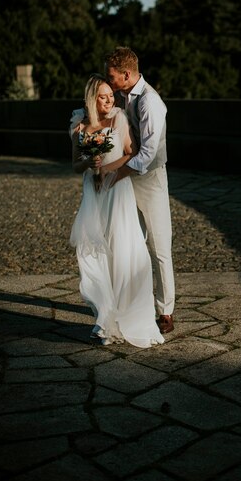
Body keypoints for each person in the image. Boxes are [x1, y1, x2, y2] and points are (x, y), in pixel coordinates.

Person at [69, 73, 164, 348]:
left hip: (117, 190)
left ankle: (127, 315)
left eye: (111, 95)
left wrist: (108, 169)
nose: (109, 101)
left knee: (122, 250)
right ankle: (104, 316)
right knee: (93, 254)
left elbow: (130, 153)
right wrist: (90, 163)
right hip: (94, 194)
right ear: (92, 99)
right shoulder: (80, 126)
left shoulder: (119, 119)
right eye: (103, 96)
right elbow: (75, 164)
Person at [103, 46, 175, 334]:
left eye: (111, 76)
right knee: (132, 243)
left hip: (150, 179)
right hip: (128, 178)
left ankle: (165, 311)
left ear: (126, 74)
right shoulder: (121, 97)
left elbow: (147, 154)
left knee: (159, 247)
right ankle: (135, 305)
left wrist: (117, 172)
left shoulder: (150, 103)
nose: (109, 81)